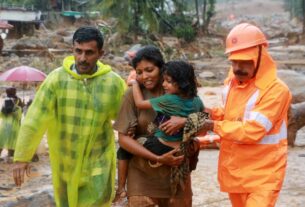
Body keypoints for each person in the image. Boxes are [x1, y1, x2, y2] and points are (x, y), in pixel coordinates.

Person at [12, 26, 126, 207]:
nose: (82, 58)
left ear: (100, 53)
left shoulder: (113, 83)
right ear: (72, 49)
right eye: (78, 51)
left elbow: (129, 118)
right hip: (65, 163)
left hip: (98, 164)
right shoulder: (56, 80)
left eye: (89, 53)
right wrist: (21, 157)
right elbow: (35, 119)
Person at [199, 23, 292, 207]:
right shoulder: (232, 83)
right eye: (234, 61)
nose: (238, 67)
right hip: (235, 172)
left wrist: (212, 125)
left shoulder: (276, 90)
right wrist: (209, 113)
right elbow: (231, 115)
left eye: (245, 61)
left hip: (263, 175)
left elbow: (253, 130)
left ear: (260, 56)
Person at [113, 45, 192, 207]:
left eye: (150, 70)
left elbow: (205, 121)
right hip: (142, 175)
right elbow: (123, 139)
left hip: (176, 174)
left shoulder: (178, 92)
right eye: (140, 72)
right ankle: (121, 189)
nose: (145, 76)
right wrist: (157, 158)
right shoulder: (132, 96)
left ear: (162, 68)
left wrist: (184, 121)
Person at [130, 60, 204, 156]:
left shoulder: (169, 99)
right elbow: (203, 116)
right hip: (182, 146)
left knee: (132, 143)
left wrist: (134, 83)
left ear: (181, 83)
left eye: (168, 81)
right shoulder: (197, 100)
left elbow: (139, 103)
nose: (163, 84)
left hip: (161, 146)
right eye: (163, 80)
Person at [0, 87, 23, 162]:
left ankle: (5, 155)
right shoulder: (18, 101)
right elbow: (19, 116)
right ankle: (10, 156)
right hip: (14, 126)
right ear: (14, 92)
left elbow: (1, 115)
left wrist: (5, 111)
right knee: (13, 142)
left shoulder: (5, 101)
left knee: (2, 141)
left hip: (5, 126)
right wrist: (19, 107)